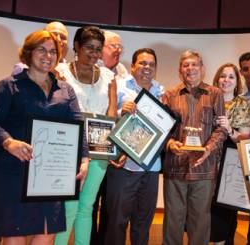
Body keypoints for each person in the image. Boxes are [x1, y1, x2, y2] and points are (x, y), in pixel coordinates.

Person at [0, 30, 88, 245]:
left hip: (49, 175)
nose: (48, 56)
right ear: (28, 53)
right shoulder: (8, 86)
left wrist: (84, 160)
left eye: (52, 52)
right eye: (42, 50)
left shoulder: (65, 90)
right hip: (12, 172)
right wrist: (8, 142)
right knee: (15, 234)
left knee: (47, 232)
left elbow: (77, 127)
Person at [54, 26, 117, 245]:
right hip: (68, 148)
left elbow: (111, 112)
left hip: (99, 150)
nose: (94, 53)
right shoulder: (60, 72)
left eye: (98, 49)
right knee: (68, 206)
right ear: (77, 47)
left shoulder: (109, 77)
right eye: (89, 47)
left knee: (87, 206)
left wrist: (110, 147)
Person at [161, 50, 228, 245]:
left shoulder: (215, 94)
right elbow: (162, 129)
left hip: (204, 169)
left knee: (200, 222)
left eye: (194, 64)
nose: (190, 68)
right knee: (173, 221)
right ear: (180, 70)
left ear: (203, 69)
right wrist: (169, 143)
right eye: (186, 65)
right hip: (175, 166)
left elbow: (221, 129)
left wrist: (208, 149)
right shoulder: (170, 95)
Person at [104, 48, 163, 245]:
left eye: (151, 64)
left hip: (150, 167)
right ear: (132, 66)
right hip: (124, 165)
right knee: (117, 221)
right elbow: (106, 120)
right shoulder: (118, 86)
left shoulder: (161, 92)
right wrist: (122, 110)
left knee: (143, 222)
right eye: (143, 63)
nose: (147, 68)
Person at [91, 30, 128, 245]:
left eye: (120, 46)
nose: (119, 50)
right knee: (90, 201)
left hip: (116, 148)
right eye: (114, 45)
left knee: (110, 203)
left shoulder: (124, 75)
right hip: (94, 143)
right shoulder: (90, 70)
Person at [210, 63, 250, 245]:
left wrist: (229, 129)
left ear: (237, 82)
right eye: (223, 76)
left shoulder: (242, 104)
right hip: (206, 167)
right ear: (216, 79)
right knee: (205, 212)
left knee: (224, 215)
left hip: (229, 168)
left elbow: (243, 139)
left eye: (231, 77)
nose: (226, 80)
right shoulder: (208, 100)